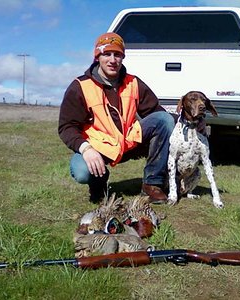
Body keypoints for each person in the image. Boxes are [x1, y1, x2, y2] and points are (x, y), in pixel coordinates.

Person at [58, 32, 175, 204]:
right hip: (98, 147)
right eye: (107, 54)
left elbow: (156, 113)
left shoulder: (134, 83)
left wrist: (188, 122)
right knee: (82, 171)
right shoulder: (80, 86)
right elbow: (67, 127)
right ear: (97, 57)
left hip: (128, 141)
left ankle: (152, 184)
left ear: (122, 57)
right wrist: (86, 149)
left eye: (118, 54)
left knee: (165, 120)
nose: (113, 60)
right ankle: (98, 183)